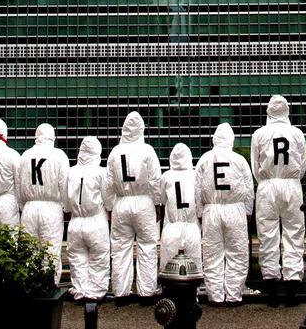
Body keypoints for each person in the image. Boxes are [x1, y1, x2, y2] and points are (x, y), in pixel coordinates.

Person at [250, 95, 306, 301]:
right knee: (294, 233)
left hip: (267, 185)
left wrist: (265, 180)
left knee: (267, 235)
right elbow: (302, 164)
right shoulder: (297, 134)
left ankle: (271, 283)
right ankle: (292, 283)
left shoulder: (259, 134)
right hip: (291, 185)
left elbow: (255, 165)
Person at [195, 122, 255, 306]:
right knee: (237, 253)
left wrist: (199, 212)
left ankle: (215, 296)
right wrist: (247, 211)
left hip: (211, 209)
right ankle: (234, 295)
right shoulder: (239, 160)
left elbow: (197, 188)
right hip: (235, 208)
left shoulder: (204, 159)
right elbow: (248, 187)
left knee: (212, 255)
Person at [108, 111, 163, 300]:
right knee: (147, 246)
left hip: (121, 202)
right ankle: (146, 291)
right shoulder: (147, 150)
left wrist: (109, 206)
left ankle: (121, 292)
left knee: (120, 249)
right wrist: (158, 203)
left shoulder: (115, 151)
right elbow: (156, 179)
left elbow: (108, 184)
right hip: (143, 202)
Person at [17, 123, 70, 284]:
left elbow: (18, 186)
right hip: (51, 207)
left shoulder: (25, 156)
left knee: (30, 252)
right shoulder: (59, 155)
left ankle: (31, 288)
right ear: (52, 137)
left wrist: (22, 207)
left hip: (29, 208)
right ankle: (50, 287)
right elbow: (65, 184)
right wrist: (66, 207)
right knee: (51, 251)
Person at [66, 136, 115, 301]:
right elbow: (108, 199)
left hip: (75, 221)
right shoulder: (101, 172)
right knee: (99, 258)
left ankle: (80, 290)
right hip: (96, 221)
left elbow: (65, 202)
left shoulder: (71, 172)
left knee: (77, 259)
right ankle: (95, 293)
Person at [160, 142, 203, 271]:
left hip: (172, 226)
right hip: (192, 226)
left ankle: (167, 288)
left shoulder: (166, 176)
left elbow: (162, 199)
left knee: (168, 266)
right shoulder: (195, 175)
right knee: (194, 267)